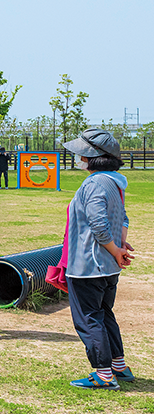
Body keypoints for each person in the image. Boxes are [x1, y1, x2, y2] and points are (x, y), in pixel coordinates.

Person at [62, 129, 135, 390]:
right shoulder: (115, 182)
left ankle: (103, 375)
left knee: (88, 318)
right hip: (108, 266)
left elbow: (97, 223)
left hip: (88, 265)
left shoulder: (93, 183)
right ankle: (118, 366)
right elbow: (123, 218)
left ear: (94, 156)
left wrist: (116, 249)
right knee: (104, 314)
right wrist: (119, 246)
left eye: (82, 152)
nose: (79, 156)